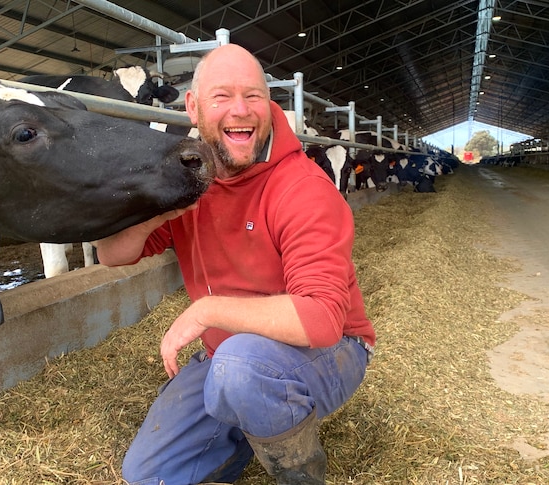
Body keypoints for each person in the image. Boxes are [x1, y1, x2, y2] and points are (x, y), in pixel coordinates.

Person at [94, 43, 376, 485]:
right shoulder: (193, 183)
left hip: (331, 349)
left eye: (254, 96)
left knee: (242, 368)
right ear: (193, 107)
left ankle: (299, 474)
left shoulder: (301, 188)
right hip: (227, 356)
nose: (240, 111)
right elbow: (110, 254)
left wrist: (207, 311)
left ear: (269, 104)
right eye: (222, 97)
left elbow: (322, 319)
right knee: (148, 475)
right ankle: (243, 433)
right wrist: (163, 211)